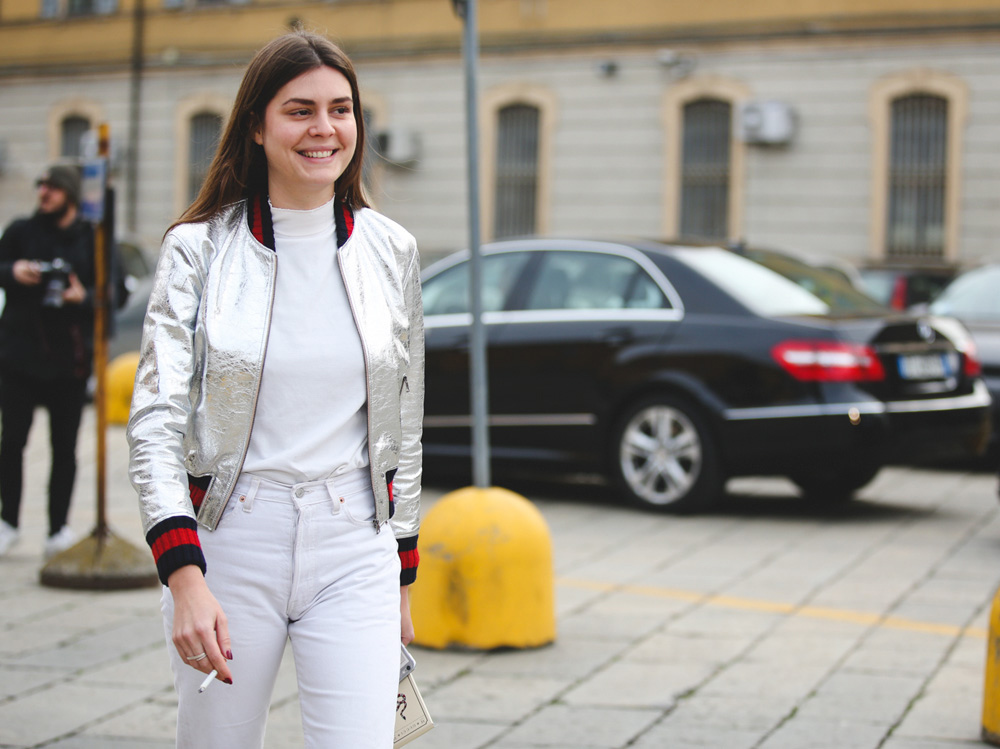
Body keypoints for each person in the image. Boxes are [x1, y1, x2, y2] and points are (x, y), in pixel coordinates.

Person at [127, 30, 423, 748]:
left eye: (340, 109)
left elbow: (405, 419)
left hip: (355, 542)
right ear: (256, 127)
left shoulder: (392, 249)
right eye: (299, 111)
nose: (325, 128)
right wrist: (183, 574)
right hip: (232, 542)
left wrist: (402, 573)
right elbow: (156, 422)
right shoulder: (197, 249)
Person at [0, 164, 94, 559]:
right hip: (19, 358)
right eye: (41, 185)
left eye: (52, 187)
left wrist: (83, 297)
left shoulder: (91, 239)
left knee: (64, 449)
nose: (43, 193)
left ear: (69, 194)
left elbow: (112, 292)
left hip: (69, 363)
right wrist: (13, 270)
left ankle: (58, 530)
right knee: (11, 443)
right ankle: (8, 523)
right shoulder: (21, 231)